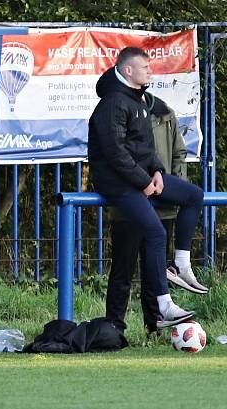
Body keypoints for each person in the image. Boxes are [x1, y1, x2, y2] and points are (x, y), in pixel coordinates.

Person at [88, 47, 206, 330]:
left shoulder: (138, 99)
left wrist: (156, 171)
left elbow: (145, 146)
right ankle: (163, 307)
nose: (150, 71)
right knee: (153, 233)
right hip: (118, 183)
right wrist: (144, 181)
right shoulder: (114, 102)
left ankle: (180, 264)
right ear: (128, 71)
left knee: (193, 195)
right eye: (145, 68)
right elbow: (115, 152)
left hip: (141, 178)